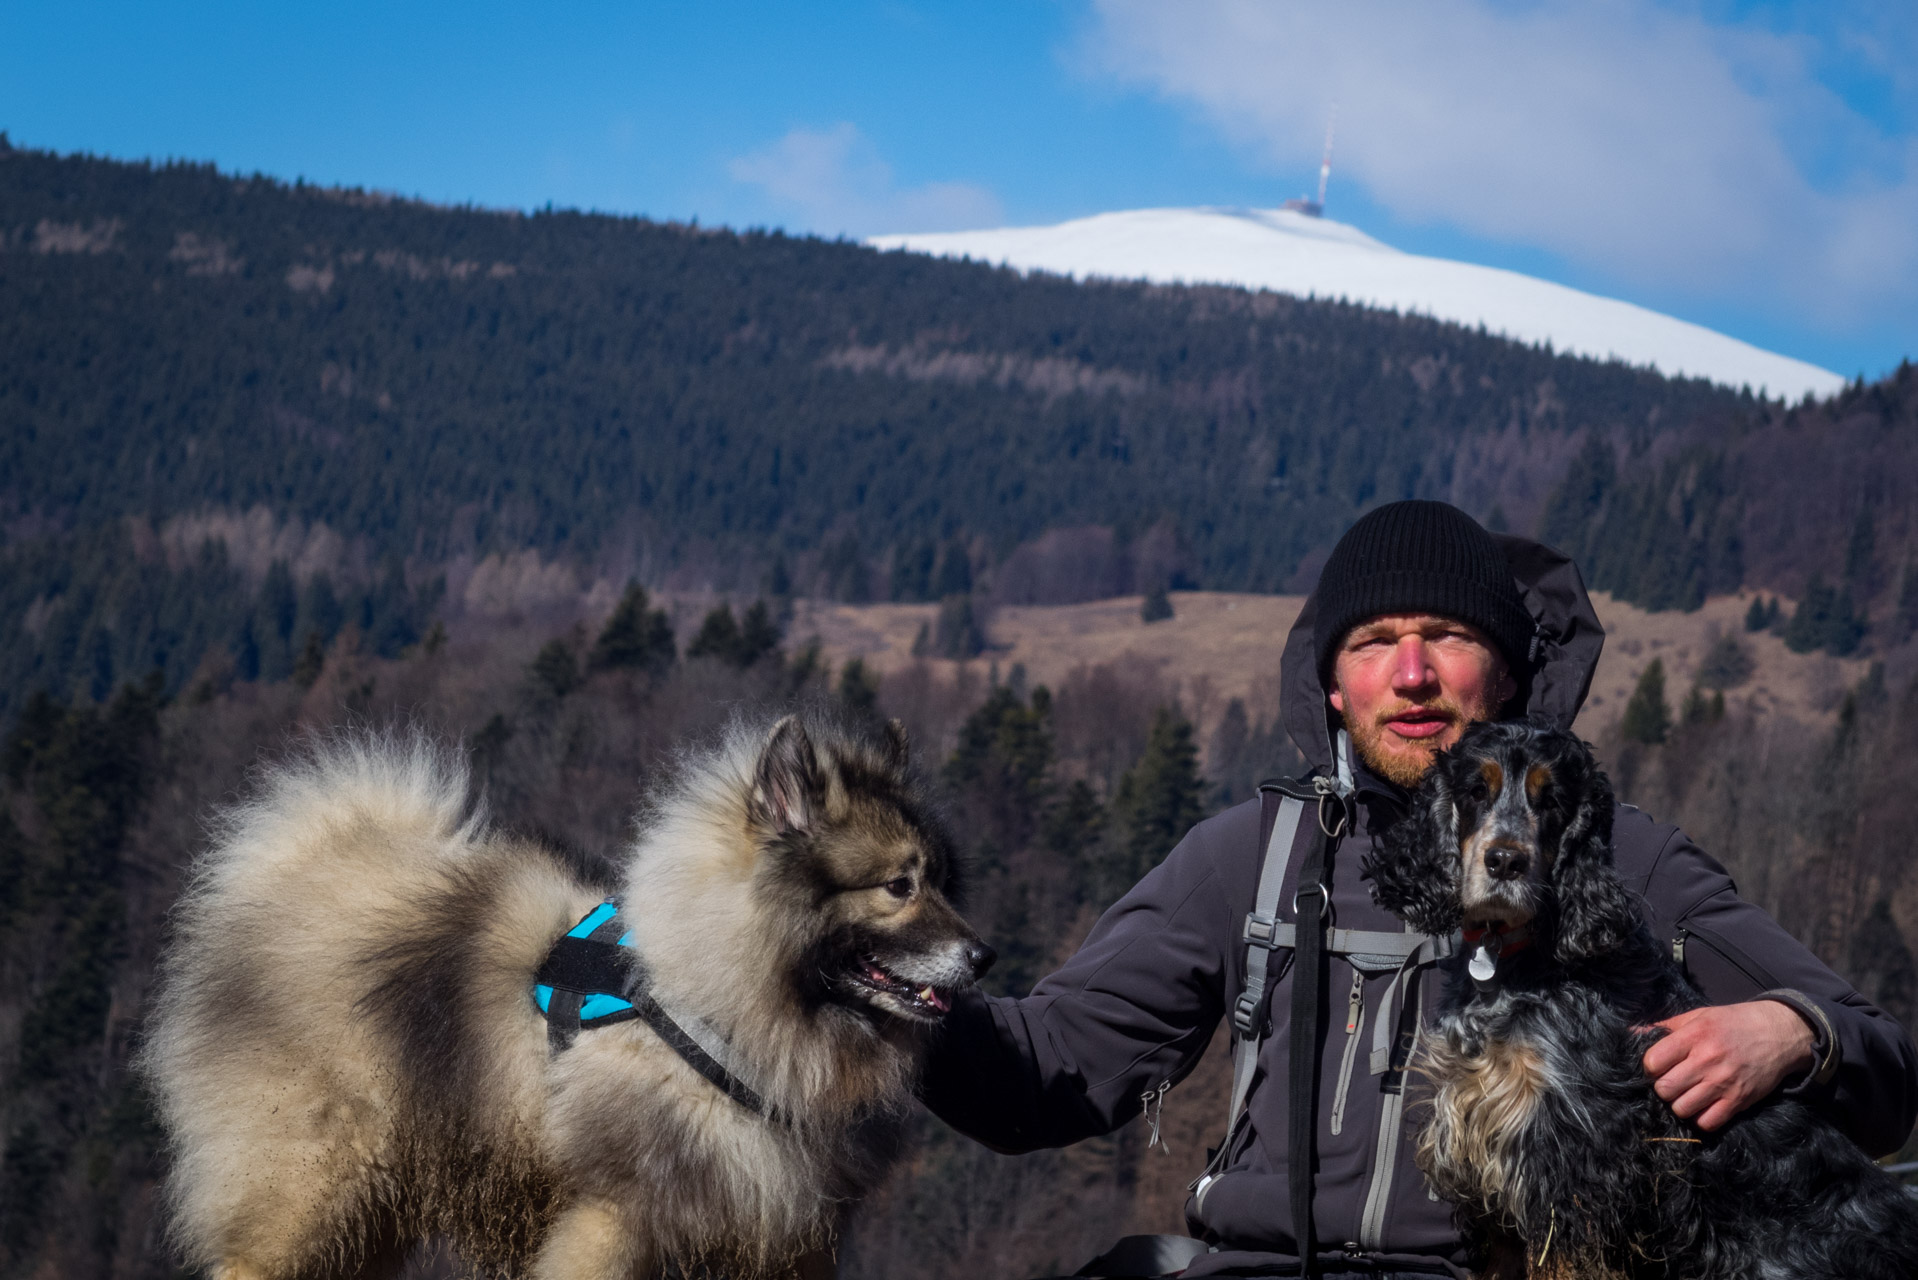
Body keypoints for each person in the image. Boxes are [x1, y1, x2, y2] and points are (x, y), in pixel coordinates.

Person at [921, 500, 1918, 1279]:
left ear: (1507, 670)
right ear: (1330, 684)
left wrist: (1793, 1032)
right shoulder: (1250, 855)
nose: (1409, 672)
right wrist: (881, 1007)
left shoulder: (1622, 857)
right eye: (1371, 642)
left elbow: (1883, 1068)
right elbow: (1041, 1074)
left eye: (1445, 633)